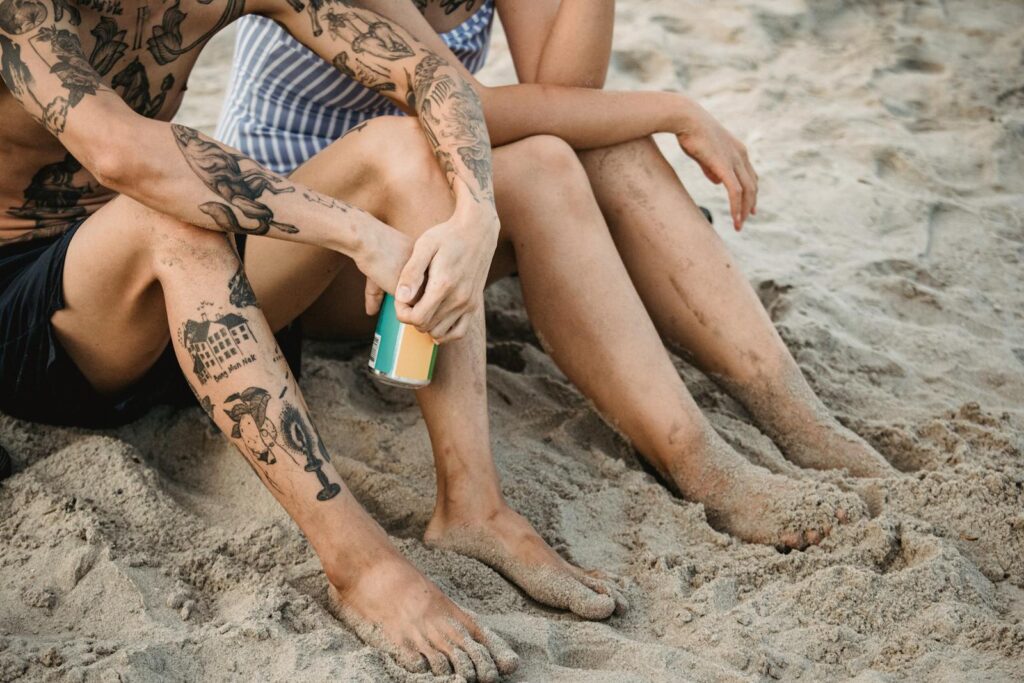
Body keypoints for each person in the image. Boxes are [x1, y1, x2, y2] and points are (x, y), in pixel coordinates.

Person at [0, 0, 696, 677]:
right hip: (39, 317)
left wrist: (475, 215)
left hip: (181, 308)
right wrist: (355, 232)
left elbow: (432, 76)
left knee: (400, 145)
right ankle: (361, 567)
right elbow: (126, 155)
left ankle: (474, 504)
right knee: (171, 218)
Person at [216, 0, 896, 608]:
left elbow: (567, 91)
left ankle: (789, 410)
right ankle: (702, 464)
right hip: (297, 246)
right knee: (548, 162)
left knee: (607, 148)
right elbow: (464, 102)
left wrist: (651, 113)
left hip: (422, 212)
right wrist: (676, 107)